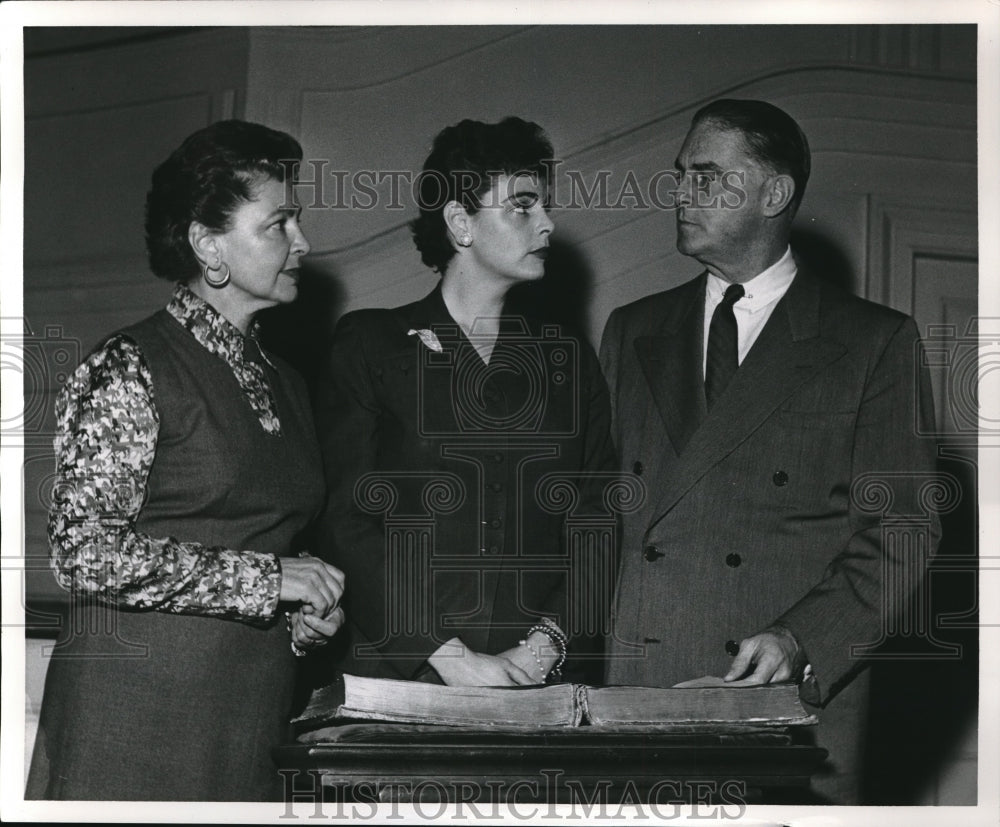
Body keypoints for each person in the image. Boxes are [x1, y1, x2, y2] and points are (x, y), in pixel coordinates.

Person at [599, 99, 939, 803]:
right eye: (680, 175)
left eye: (706, 176)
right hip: (640, 703)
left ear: (775, 193)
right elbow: (595, 515)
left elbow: (903, 529)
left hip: (781, 711)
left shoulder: (871, 342)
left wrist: (799, 638)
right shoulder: (632, 330)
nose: (681, 194)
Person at [26, 120, 345, 801]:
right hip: (132, 721)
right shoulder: (131, 365)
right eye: (279, 224)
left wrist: (300, 619)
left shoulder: (285, 379)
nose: (303, 243)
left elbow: (257, 546)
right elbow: (83, 553)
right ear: (208, 245)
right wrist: (269, 580)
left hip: (247, 718)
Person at [315, 117, 617, 687]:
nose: (549, 225)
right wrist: (450, 659)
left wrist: (544, 649)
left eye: (544, 207)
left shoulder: (569, 362)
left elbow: (596, 520)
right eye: (523, 207)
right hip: (401, 682)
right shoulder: (371, 344)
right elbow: (345, 520)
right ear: (461, 222)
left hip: (536, 685)